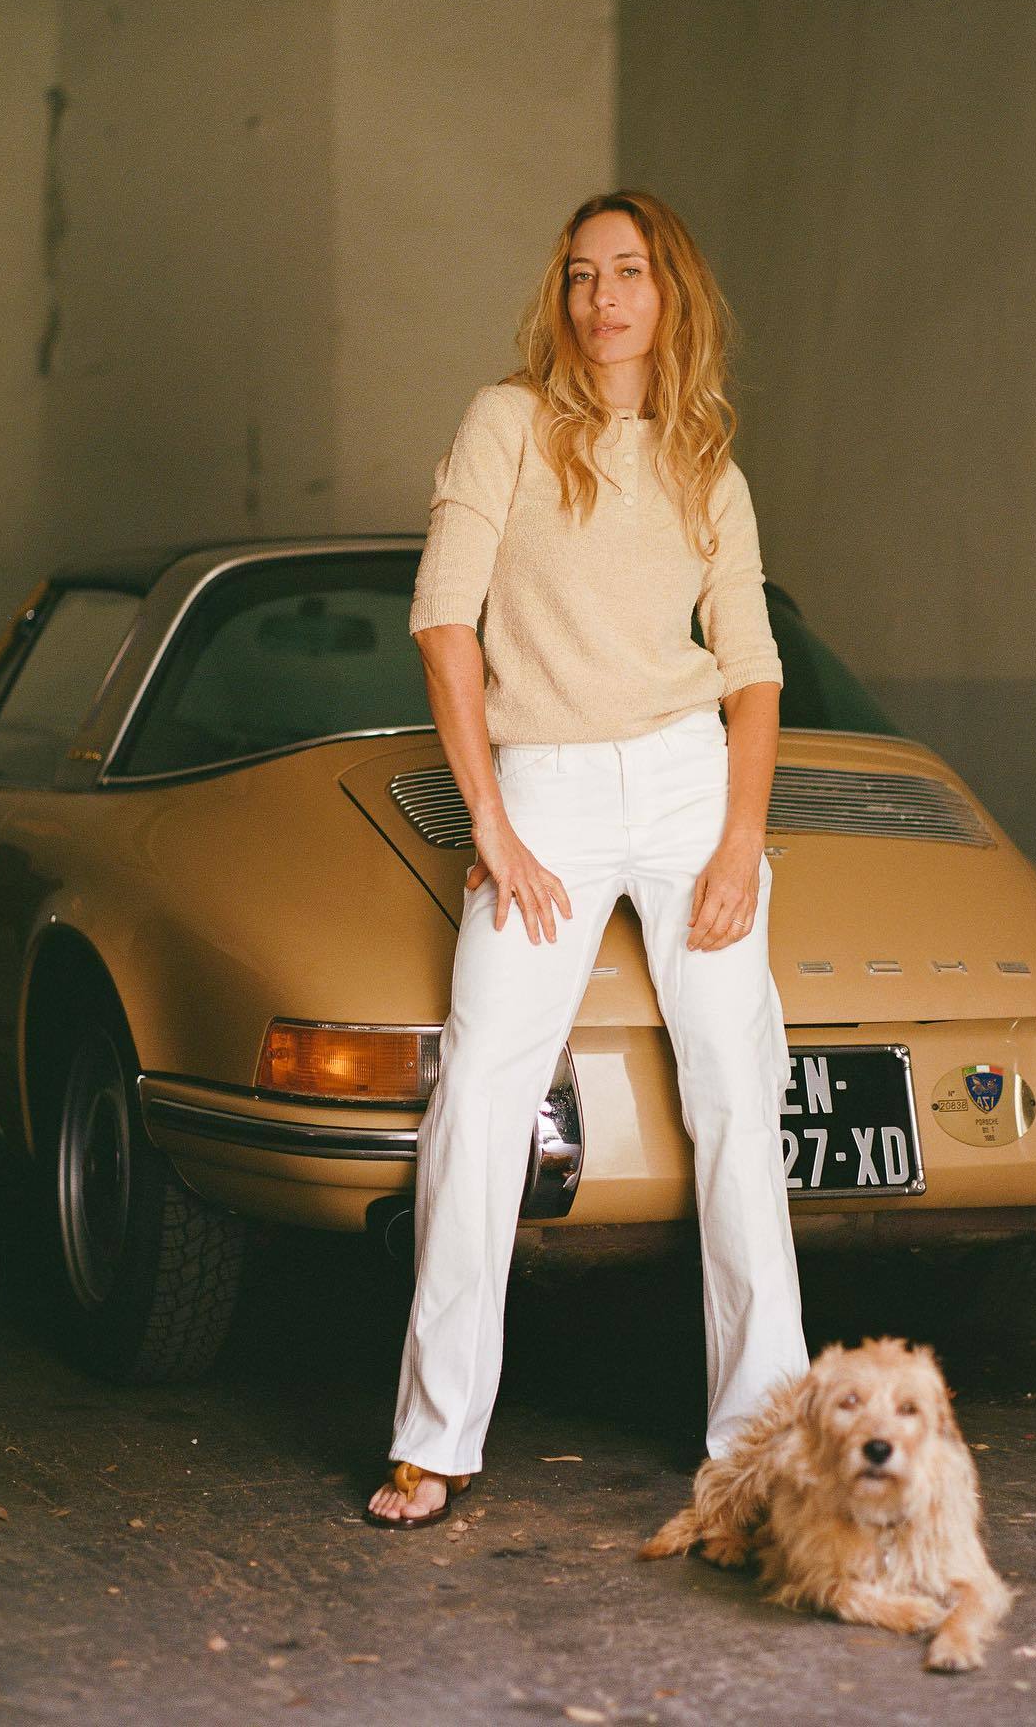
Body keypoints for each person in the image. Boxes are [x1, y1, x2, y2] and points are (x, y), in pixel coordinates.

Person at [364, 189, 809, 1529]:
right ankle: (435, 1437)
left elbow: (752, 670)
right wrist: (492, 824)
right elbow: (443, 622)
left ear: (671, 294)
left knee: (738, 1093)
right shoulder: (506, 423)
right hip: (543, 787)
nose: (601, 297)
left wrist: (741, 840)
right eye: (579, 274)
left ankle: (763, 1444)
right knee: (480, 1094)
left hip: (688, 787)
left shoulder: (708, 465)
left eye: (627, 272)